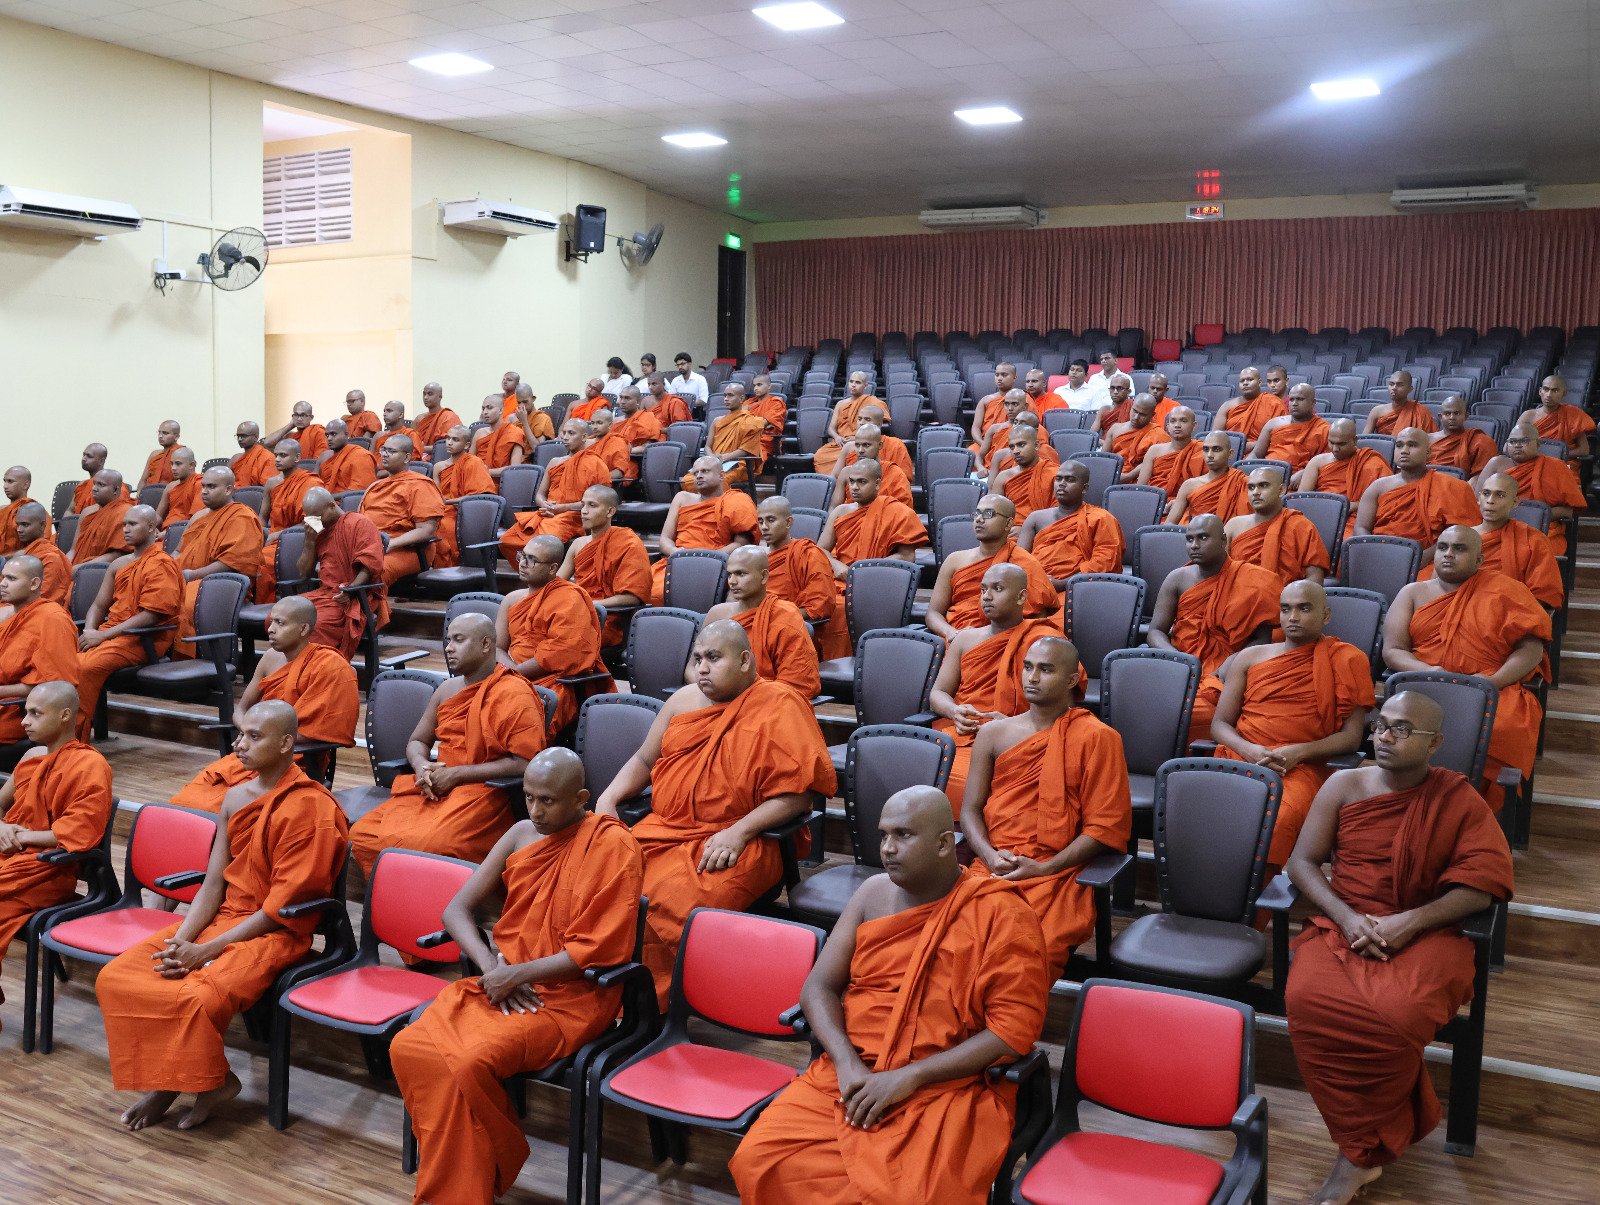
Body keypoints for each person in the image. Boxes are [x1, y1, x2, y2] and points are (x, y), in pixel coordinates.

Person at [731, 786, 1049, 1205]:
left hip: (943, 1086)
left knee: (908, 1195)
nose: (887, 848)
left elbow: (1011, 1033)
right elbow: (818, 987)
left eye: (903, 835)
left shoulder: (1002, 914)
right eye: (883, 835)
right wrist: (847, 1065)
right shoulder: (872, 894)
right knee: (758, 1158)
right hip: (851, 1074)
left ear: (943, 844)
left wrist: (908, 1078)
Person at [1285, 691, 1512, 1205]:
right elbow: (1301, 862)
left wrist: (1410, 922)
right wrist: (1346, 917)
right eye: (1380, 725)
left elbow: (1482, 884)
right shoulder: (1343, 785)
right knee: (1306, 999)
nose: (1384, 737)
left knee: (1398, 1012)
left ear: (1435, 743)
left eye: (1402, 729)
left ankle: (1356, 1156)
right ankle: (1365, 1140)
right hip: (1346, 923)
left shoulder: (1456, 798)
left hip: (1425, 930)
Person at [391, 749, 643, 1205]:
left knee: (466, 1062)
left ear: (581, 798)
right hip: (503, 982)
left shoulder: (612, 845)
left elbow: (598, 951)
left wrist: (516, 974)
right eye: (528, 797)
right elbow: (455, 910)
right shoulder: (520, 834)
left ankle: (460, 1190)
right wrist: (493, 968)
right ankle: (477, 1172)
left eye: (547, 800)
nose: (535, 810)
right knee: (409, 1046)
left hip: (570, 998)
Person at [97, 700, 349, 1132]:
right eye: (240, 734)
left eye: (254, 736)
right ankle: (204, 1080)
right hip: (223, 918)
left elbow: (280, 908)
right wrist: (183, 939)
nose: (239, 744)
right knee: (118, 977)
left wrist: (207, 951)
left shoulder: (312, 808)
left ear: (286, 744)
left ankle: (176, 1086)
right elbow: (213, 884)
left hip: (275, 932)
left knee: (197, 995)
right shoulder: (235, 797)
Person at [593, 620, 836, 1005]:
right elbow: (643, 759)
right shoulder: (682, 701)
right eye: (697, 658)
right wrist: (608, 799)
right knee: (604, 882)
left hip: (744, 839)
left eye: (713, 658)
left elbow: (798, 796)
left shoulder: (780, 704)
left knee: (670, 901)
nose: (702, 668)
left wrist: (739, 832)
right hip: (664, 830)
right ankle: (599, 988)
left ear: (744, 660)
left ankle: (649, 1001)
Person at [962, 636, 1131, 976]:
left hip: (1057, 873)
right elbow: (970, 810)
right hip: (994, 866)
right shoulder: (993, 734)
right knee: (959, 940)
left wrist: (1045, 868)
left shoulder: (1099, 738)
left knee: (1025, 952)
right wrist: (990, 857)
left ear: (1071, 680)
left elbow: (1103, 828)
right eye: (1027, 667)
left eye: (1046, 669)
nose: (1032, 677)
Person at [351, 615, 547, 875]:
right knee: (364, 834)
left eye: (458, 640)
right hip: (435, 788)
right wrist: (421, 766)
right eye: (448, 640)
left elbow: (525, 762)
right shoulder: (447, 689)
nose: (449, 648)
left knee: (433, 845)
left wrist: (457, 775)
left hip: (484, 793)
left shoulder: (515, 692)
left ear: (485, 644)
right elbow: (418, 741)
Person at [1384, 526, 1549, 811]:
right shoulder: (1412, 593)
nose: (1448, 554)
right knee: (1404, 728)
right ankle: (1409, 807)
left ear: (1479, 560)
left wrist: (1493, 681)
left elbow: (1531, 650)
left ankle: (1476, 814)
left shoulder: (1507, 591)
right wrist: (1430, 671)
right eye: (1443, 547)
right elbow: (1393, 650)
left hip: (1490, 687)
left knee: (1502, 729)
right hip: (1426, 684)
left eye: (1459, 549)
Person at [1212, 581, 1373, 868]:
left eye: (1304, 609)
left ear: (1325, 616)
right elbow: (1220, 725)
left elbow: (1351, 738)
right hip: (1240, 757)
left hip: (1301, 768)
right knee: (1206, 813)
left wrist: (1298, 752)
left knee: (1275, 819)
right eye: (1286, 609)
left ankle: (1253, 897)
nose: (1293, 617)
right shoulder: (1249, 657)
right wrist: (1249, 750)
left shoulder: (1349, 659)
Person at [170, 598, 359, 810]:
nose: (271, 629)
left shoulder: (330, 666)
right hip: (251, 753)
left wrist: (257, 736)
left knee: (216, 808)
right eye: (271, 622)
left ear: (304, 629)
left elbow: (315, 732)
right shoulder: (270, 658)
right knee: (184, 802)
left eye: (280, 623)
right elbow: (241, 709)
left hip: (292, 759)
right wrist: (248, 733)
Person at [0, 681, 113, 991]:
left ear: (65, 715)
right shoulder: (31, 757)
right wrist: (3, 827)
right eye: (25, 713)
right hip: (10, 855)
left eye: (36, 714)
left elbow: (81, 832)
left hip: (46, 871)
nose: (25, 721)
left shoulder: (90, 765)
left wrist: (23, 837)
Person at [929, 564, 1061, 807]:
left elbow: (1060, 708)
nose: (986, 597)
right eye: (983, 590)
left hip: (1020, 739)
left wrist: (1013, 724)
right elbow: (938, 693)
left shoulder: (1044, 643)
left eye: (997, 589)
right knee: (929, 775)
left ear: (1021, 596)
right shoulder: (965, 639)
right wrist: (954, 711)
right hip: (965, 733)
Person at [1147, 515, 1280, 741]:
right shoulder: (1177, 579)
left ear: (1223, 540)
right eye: (1189, 539)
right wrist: (1179, 660)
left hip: (1228, 672)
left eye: (1203, 538)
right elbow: (1156, 631)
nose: (1194, 545)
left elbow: (1263, 640)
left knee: (1196, 713)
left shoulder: (1254, 580)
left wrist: (1236, 660)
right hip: (1181, 665)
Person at [73, 506, 184, 740]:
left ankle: (74, 738)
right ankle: (54, 733)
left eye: (132, 524)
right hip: (112, 632)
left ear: (152, 527)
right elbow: (98, 606)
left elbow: (151, 615)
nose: (125, 529)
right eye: (124, 524)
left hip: (144, 638)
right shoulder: (119, 564)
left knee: (87, 666)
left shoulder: (162, 563)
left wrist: (102, 636)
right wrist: (90, 630)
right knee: (63, 662)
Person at [497, 535, 610, 732]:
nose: (522, 563)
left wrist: (515, 675)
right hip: (510, 674)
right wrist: (511, 673)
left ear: (552, 568)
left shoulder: (570, 599)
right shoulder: (511, 600)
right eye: (522, 555)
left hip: (553, 683)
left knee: (519, 723)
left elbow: (562, 652)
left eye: (532, 560)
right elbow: (497, 647)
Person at [817, 460, 928, 658]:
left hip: (877, 583)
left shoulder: (898, 512)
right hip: (841, 580)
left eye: (862, 482)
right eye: (851, 481)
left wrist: (865, 572)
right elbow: (820, 550)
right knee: (817, 603)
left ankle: (850, 660)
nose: (854, 487)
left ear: (877, 484)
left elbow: (906, 556)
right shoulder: (841, 512)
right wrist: (836, 565)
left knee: (842, 608)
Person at [1418, 473, 1562, 608]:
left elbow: (1544, 594)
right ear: (1478, 498)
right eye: (1486, 494)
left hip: (1503, 612)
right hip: (1453, 607)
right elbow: (1436, 586)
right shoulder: (1458, 537)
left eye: (1500, 495)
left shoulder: (1533, 540)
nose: (1490, 501)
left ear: (1515, 502)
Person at [699, 545, 821, 697]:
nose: (732, 581)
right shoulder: (716, 614)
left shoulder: (786, 615)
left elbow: (797, 682)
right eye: (729, 574)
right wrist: (709, 690)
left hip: (766, 699)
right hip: (715, 697)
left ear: (763, 576)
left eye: (740, 574)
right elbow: (692, 668)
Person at [927, 496, 1056, 639]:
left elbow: (1038, 618)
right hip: (958, 637)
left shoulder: (1025, 563)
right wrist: (952, 633)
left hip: (1007, 640)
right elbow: (933, 613)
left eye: (988, 514)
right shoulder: (954, 561)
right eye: (977, 513)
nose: (979, 519)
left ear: (1008, 523)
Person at [171, 468, 264, 657]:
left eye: (211, 487)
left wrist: (190, 575)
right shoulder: (198, 517)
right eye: (203, 486)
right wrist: (166, 571)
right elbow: (177, 551)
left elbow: (230, 563)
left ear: (229, 489)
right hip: (184, 579)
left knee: (183, 605)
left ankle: (190, 660)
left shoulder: (241, 516)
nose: (204, 491)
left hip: (219, 584)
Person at [1354, 428, 1479, 567]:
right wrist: (1376, 553)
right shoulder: (1377, 487)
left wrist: (1422, 557)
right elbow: (1361, 527)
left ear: (1428, 452)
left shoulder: (1453, 487)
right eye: (1399, 445)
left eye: (1412, 445)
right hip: (1378, 557)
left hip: (1431, 561)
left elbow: (1464, 534)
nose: (1404, 450)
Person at [648, 454, 759, 605]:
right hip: (679, 561)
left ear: (721, 475)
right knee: (648, 590)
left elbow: (741, 544)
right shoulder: (682, 498)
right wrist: (676, 553)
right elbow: (665, 539)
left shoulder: (737, 501)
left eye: (705, 471)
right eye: (695, 473)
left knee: (673, 592)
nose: (699, 476)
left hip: (715, 565)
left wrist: (704, 558)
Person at [0, 558, 80, 755]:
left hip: (21, 711)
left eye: (11, 578)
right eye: (3, 577)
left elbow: (54, 687)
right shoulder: (5, 614)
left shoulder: (52, 619)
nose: (3, 584)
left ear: (34, 583)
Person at [499, 420, 612, 559]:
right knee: (507, 540)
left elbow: (598, 501)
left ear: (584, 437)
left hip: (574, 516)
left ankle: (544, 570)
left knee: (541, 544)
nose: (565, 437)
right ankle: (530, 569)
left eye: (571, 433)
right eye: (564, 433)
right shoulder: (555, 462)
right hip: (547, 513)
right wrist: (544, 504)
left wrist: (562, 508)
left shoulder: (596, 464)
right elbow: (540, 494)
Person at [297, 487, 387, 657]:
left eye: (319, 517)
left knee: (314, 625)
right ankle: (292, 666)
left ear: (332, 506)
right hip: (324, 594)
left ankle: (317, 666)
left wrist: (351, 589)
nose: (316, 523)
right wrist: (309, 543)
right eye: (311, 519)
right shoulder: (319, 531)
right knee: (281, 616)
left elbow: (369, 565)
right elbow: (303, 574)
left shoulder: (359, 523)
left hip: (352, 596)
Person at [1475, 420, 1586, 557]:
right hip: (1496, 527)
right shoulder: (1496, 464)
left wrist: (1533, 516)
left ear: (1538, 444)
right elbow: (1477, 501)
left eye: (1524, 441)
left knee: (1532, 552)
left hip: (1541, 530)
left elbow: (1569, 510)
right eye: (1512, 441)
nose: (1517, 445)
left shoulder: (1556, 467)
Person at [557, 485, 650, 648]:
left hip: (607, 618)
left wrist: (592, 604)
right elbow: (556, 583)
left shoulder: (628, 543)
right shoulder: (578, 544)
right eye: (583, 505)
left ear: (610, 511)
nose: (584, 511)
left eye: (592, 505)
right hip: (576, 611)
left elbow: (633, 597)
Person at [1017, 461, 1125, 590]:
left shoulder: (1101, 519)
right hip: (1034, 587)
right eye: (1058, 479)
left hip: (1077, 589)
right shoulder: (1035, 518)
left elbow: (1105, 563)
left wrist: (1063, 583)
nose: (1062, 484)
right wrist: (1038, 582)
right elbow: (1020, 561)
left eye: (1070, 480)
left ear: (1084, 488)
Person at [359, 435, 446, 584]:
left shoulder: (420, 485)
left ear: (406, 457)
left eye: (391, 451)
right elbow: (359, 521)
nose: (384, 454)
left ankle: (362, 600)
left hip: (406, 550)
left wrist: (390, 544)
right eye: (383, 449)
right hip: (371, 547)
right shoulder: (375, 486)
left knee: (372, 569)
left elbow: (426, 530)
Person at [1224, 466, 1330, 587]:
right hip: (1238, 594)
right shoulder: (1233, 526)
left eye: (1263, 485)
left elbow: (1315, 578)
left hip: (1284, 596)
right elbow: (1219, 572)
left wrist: (1290, 597)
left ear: (1281, 490)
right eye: (1251, 487)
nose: (1256, 492)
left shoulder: (1301, 526)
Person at [1301, 418, 1391, 539]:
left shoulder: (1371, 462)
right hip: (1320, 515)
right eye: (1331, 442)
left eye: (1341, 444)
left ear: (1354, 441)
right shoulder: (1317, 461)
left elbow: (1386, 501)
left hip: (1355, 517)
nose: (1335, 449)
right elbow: (1302, 499)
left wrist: (1352, 506)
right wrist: (1331, 508)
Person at [757, 496, 837, 625]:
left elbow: (821, 604)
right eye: (760, 522)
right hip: (753, 619)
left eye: (771, 520)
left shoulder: (809, 554)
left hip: (786, 624)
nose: (764, 527)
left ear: (788, 522)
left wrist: (776, 617)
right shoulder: (754, 557)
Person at [1519, 374, 1594, 485]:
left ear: (1564, 394)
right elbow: (1508, 446)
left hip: (1562, 463)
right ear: (1540, 391)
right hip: (1532, 463)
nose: (1549, 395)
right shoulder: (1528, 416)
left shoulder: (1573, 415)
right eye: (1546, 389)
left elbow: (1584, 450)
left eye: (1555, 390)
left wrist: (1557, 454)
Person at [1166, 431, 1250, 522]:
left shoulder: (1242, 482)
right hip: (1198, 531)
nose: (1209, 455)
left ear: (1230, 454)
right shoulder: (1189, 485)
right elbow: (1170, 523)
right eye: (1206, 449)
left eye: (1216, 449)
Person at [1254, 383, 1330, 484]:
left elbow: (1328, 463)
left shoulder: (1325, 429)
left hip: (1297, 483)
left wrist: (1306, 473)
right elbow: (1256, 454)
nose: (1294, 403)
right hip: (1265, 477)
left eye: (1300, 399)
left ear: (1313, 403)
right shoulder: (1274, 423)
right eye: (1291, 399)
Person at [827, 422, 913, 509]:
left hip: (884, 517)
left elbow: (903, 509)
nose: (860, 450)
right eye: (857, 445)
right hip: (853, 517)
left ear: (880, 445)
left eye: (866, 445)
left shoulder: (895, 473)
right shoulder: (846, 473)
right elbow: (833, 508)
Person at [814, 372, 884, 475]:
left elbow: (875, 427)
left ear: (865, 386)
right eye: (851, 381)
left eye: (858, 382)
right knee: (821, 455)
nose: (853, 385)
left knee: (855, 454)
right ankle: (830, 482)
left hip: (861, 442)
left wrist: (857, 438)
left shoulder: (872, 403)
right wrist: (837, 437)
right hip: (841, 442)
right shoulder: (840, 404)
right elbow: (831, 428)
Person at [698, 384, 766, 485]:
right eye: (725, 395)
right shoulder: (717, 421)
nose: (726, 399)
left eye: (730, 395)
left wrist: (724, 458)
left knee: (718, 479)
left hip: (737, 465)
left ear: (741, 398)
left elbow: (746, 450)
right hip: (714, 464)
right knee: (689, 479)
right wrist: (713, 459)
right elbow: (707, 447)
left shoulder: (752, 422)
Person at [1136, 405, 1206, 498]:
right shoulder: (1154, 451)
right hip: (1154, 501)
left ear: (1194, 426)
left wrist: (1180, 502)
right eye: (1173, 421)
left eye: (1183, 421)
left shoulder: (1202, 450)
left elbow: (1205, 487)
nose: (1177, 425)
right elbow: (1141, 487)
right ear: (1168, 427)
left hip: (1187, 502)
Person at [991, 426, 1055, 525]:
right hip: (1009, 530)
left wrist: (1028, 529)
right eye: (1012, 447)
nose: (1015, 451)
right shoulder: (1003, 477)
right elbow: (994, 513)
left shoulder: (1054, 473)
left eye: (1021, 445)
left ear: (1036, 445)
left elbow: (1059, 514)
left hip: (1044, 530)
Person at [69, 471, 135, 565]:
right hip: (78, 567)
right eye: (94, 484)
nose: (94, 488)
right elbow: (73, 550)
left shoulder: (125, 512)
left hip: (103, 569)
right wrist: (65, 567)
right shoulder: (87, 512)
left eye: (101, 485)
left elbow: (118, 554)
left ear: (115, 490)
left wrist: (82, 567)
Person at [11, 504, 71, 608]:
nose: (19, 529)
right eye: (18, 524)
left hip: (35, 610)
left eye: (25, 525)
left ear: (42, 525)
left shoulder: (51, 557)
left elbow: (41, 599)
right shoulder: (24, 554)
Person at [1427, 396, 1497, 477]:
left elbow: (1480, 476)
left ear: (1466, 416)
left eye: (1457, 413)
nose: (1452, 417)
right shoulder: (1426, 439)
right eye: (1447, 414)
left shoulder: (1478, 440)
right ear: (1440, 417)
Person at [1215, 367, 1287, 442]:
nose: (1245, 383)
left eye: (1250, 379)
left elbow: (1281, 437)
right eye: (1242, 381)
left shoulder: (1275, 404)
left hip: (1264, 448)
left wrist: (1254, 446)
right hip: (1232, 448)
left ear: (1259, 382)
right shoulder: (1227, 406)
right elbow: (1215, 437)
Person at [1104, 394, 1166, 480]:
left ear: (1152, 415)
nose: (1136, 417)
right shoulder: (1115, 429)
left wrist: (1129, 476)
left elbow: (1154, 463)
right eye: (1135, 411)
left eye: (1142, 415)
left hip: (1139, 480)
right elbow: (1103, 459)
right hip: (1110, 476)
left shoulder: (1159, 435)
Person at [262, 440, 316, 537]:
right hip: (273, 536)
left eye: (283, 455)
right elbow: (262, 517)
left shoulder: (310, 482)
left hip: (300, 537)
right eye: (276, 455)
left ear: (297, 457)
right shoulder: (271, 483)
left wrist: (279, 535)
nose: (277, 459)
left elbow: (314, 522)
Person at [1362, 371, 1437, 435]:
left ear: (1410, 389)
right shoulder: (1376, 411)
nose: (1394, 388)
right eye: (1391, 384)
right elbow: (1364, 439)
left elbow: (1429, 440)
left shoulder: (1421, 411)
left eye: (1399, 385)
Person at [473, 394, 528, 476]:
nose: (485, 412)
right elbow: (469, 462)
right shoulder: (479, 433)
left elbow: (514, 468)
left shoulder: (515, 433)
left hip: (502, 481)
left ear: (501, 410)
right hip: (476, 479)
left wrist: (486, 472)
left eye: (489, 408)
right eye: (483, 409)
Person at [318, 418, 378, 493]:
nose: (329, 438)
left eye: (333, 434)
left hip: (344, 499)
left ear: (346, 435)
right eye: (327, 435)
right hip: (321, 496)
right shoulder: (324, 456)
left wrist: (327, 497)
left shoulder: (361, 455)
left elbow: (359, 491)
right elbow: (314, 481)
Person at [969, 363, 1021, 446]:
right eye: (997, 375)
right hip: (984, 444)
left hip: (1013, 445)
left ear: (1015, 378)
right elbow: (976, 427)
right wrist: (983, 444)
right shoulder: (985, 400)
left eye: (1004, 375)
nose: (999, 378)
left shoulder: (1023, 399)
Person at [584, 407, 635, 487]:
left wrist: (595, 479)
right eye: (592, 423)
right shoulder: (585, 442)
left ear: (610, 425)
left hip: (603, 486)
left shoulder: (617, 442)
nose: (595, 427)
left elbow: (619, 472)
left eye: (599, 423)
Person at [263, 401, 328, 462]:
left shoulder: (318, 432)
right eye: (296, 415)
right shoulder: (291, 437)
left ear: (311, 417)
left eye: (303, 415)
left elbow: (319, 461)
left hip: (311, 469)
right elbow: (267, 443)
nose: (299, 419)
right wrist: (290, 425)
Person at [0, 466, 44, 555]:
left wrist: (4, 558)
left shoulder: (36, 513)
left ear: (25, 485)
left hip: (21, 561)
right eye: (4, 481)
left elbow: (40, 546)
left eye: (10, 481)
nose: (5, 486)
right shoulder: (2, 511)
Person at [747, 374, 789, 469]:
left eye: (759, 385)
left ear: (769, 386)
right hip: (743, 438)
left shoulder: (776, 403)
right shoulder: (748, 403)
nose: (755, 388)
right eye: (754, 385)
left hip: (764, 441)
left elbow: (763, 423)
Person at [72, 444, 127, 515]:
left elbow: (115, 511)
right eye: (84, 455)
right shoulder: (82, 484)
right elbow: (70, 510)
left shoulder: (114, 486)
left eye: (89, 456)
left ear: (101, 461)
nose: (84, 459)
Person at [154, 449, 201, 527]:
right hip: (167, 529)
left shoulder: (199, 484)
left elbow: (197, 518)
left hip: (186, 529)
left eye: (178, 464)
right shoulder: (170, 487)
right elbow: (158, 515)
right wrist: (151, 528)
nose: (173, 468)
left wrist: (168, 532)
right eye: (172, 464)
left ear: (191, 465)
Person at [412, 381, 461, 455]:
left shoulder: (449, 416)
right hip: (418, 456)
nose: (425, 397)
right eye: (424, 394)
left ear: (440, 396)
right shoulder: (419, 419)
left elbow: (452, 444)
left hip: (440, 457)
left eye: (430, 394)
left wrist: (422, 448)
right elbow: (410, 443)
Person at [135, 420, 182, 491]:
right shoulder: (154, 454)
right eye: (159, 432)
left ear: (176, 436)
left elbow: (186, 481)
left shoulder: (182, 454)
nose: (160, 436)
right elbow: (143, 480)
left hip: (171, 493)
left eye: (165, 433)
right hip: (149, 493)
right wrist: (139, 493)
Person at [611, 384, 662, 449]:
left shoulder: (648, 418)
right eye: (621, 398)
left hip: (634, 454)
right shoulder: (614, 421)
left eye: (627, 398)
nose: (622, 402)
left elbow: (647, 446)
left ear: (638, 401)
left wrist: (623, 452)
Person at [229, 423, 276, 488]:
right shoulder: (235, 458)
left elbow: (269, 486)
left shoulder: (267, 457)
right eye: (238, 436)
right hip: (234, 493)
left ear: (255, 437)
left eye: (243, 436)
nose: (239, 439)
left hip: (256, 493)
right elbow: (225, 482)